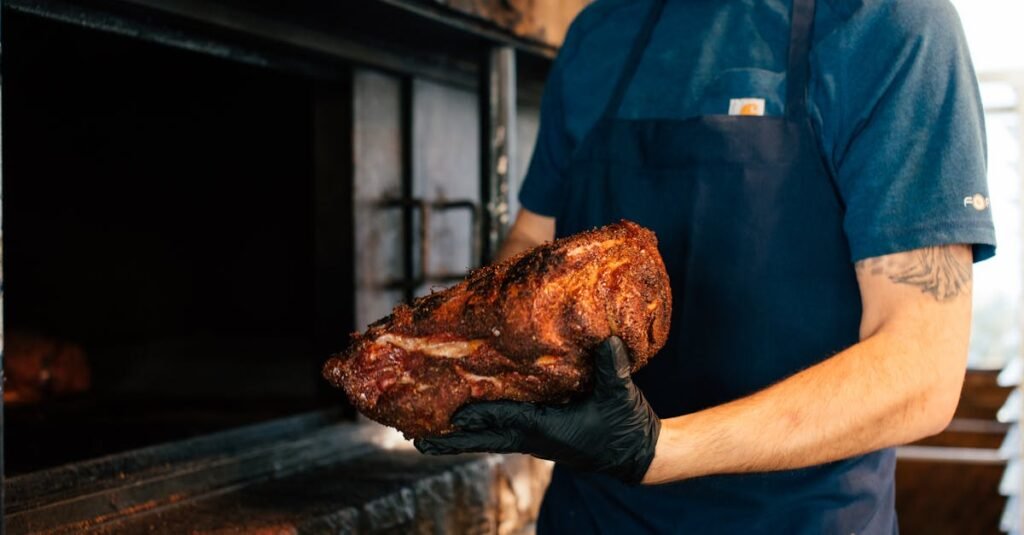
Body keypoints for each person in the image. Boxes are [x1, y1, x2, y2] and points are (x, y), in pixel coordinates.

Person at [416, 0, 997, 532]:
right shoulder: (600, 30)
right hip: (589, 517)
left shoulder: (892, 26)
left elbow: (921, 368)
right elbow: (532, 237)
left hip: (796, 522)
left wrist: (657, 449)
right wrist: (466, 356)